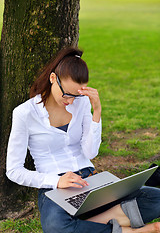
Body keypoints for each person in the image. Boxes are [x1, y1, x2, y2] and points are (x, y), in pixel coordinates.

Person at [6, 47, 160, 233]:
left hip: (90, 179)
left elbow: (90, 152)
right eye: (67, 94)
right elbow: (14, 170)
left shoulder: (81, 102)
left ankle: (99, 220)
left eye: (76, 95)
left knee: (156, 199)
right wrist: (56, 181)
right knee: (56, 226)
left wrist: (97, 113)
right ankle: (129, 230)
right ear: (53, 79)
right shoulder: (24, 113)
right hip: (55, 187)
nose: (71, 101)